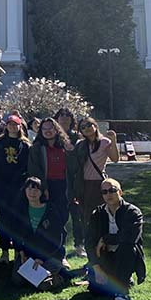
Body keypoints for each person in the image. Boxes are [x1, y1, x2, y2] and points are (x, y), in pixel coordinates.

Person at [86, 178, 146, 300]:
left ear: (120, 192)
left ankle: (121, 292)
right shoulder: (97, 214)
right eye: (105, 192)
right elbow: (89, 242)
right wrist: (96, 268)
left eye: (112, 190)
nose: (109, 194)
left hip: (126, 256)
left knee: (127, 247)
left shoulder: (133, 212)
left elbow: (129, 238)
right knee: (96, 291)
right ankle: (121, 279)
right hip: (105, 256)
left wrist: (105, 239)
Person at [28, 117, 78, 266]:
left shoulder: (65, 146)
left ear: (57, 130)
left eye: (51, 128)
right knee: (46, 223)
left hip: (63, 187)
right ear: (40, 131)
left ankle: (60, 255)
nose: (48, 131)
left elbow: (75, 168)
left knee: (61, 221)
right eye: (44, 129)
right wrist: (43, 188)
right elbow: (33, 170)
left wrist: (72, 152)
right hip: (46, 188)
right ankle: (42, 254)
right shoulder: (36, 148)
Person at [11, 177, 74, 289]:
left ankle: (61, 276)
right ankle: (52, 274)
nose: (32, 193)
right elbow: (16, 233)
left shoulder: (51, 210)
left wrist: (42, 258)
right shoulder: (21, 210)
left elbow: (57, 239)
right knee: (17, 281)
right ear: (24, 190)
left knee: (41, 285)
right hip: (29, 256)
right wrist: (20, 251)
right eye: (29, 189)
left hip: (50, 254)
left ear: (42, 192)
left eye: (36, 189)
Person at [0, 114, 31, 264]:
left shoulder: (25, 145)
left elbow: (27, 167)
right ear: (6, 126)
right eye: (10, 124)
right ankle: (5, 251)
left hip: (18, 188)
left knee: (19, 220)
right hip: (1, 187)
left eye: (16, 124)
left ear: (20, 126)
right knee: (4, 220)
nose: (13, 126)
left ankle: (19, 251)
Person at [74, 118, 119, 234]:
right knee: (85, 215)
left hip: (99, 183)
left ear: (95, 125)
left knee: (102, 213)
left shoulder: (104, 142)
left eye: (89, 125)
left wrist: (113, 141)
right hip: (83, 184)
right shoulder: (80, 145)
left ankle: (104, 238)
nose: (86, 129)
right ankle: (89, 241)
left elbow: (115, 159)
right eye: (83, 127)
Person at [54, 108, 86, 258]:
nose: (64, 118)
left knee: (77, 214)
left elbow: (80, 161)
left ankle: (79, 245)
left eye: (68, 116)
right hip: (57, 180)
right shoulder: (53, 137)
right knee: (59, 215)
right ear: (57, 118)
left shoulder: (77, 138)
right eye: (61, 115)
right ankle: (59, 245)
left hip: (74, 180)